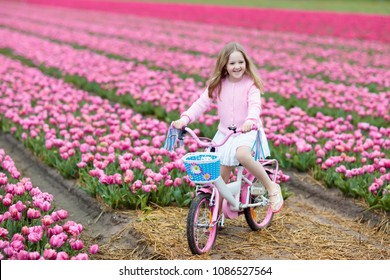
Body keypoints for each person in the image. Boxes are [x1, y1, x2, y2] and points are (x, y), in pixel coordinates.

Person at [172, 42, 283, 213]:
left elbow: (255, 105)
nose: (237, 66)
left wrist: (250, 120)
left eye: (240, 62)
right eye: (232, 63)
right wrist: (185, 119)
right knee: (219, 177)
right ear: (224, 65)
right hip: (225, 133)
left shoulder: (250, 84)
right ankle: (215, 218)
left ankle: (271, 187)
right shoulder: (217, 84)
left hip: (247, 131)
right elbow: (201, 103)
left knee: (242, 154)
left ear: (246, 63)